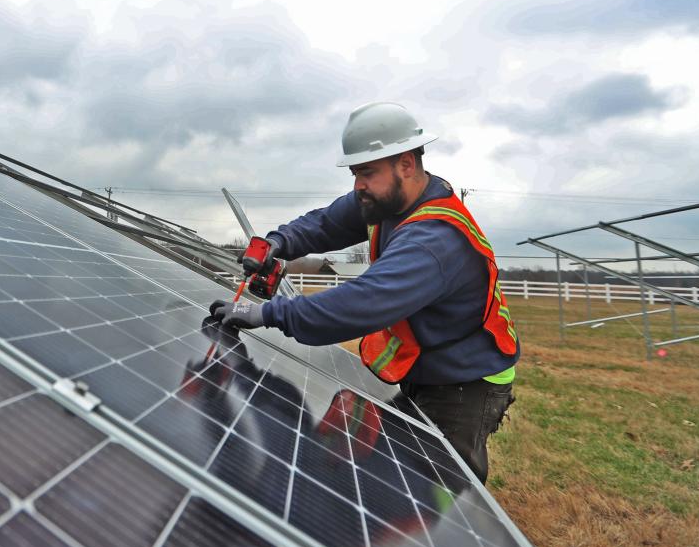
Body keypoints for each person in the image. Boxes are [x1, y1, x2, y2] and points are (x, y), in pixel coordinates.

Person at [209, 101, 518, 482]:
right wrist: (278, 242)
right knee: (399, 473)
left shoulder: (435, 239)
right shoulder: (391, 200)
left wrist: (267, 314)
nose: (358, 186)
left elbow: (361, 303)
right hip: (430, 362)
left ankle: (461, 536)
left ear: (405, 164)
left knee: (440, 488)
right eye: (356, 174)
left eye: (367, 173)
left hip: (467, 382)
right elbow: (327, 222)